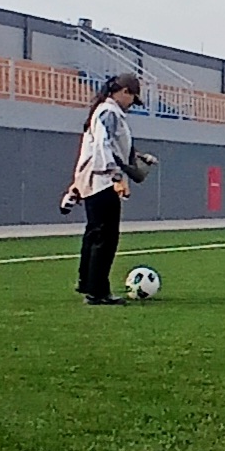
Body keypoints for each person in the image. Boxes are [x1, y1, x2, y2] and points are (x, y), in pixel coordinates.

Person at [68, 73, 141, 304]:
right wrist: (117, 176)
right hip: (102, 181)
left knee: (94, 233)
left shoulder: (103, 111)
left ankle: (87, 282)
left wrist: (137, 158)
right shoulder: (109, 112)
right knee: (105, 238)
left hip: (94, 180)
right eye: (132, 97)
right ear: (125, 92)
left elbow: (107, 145)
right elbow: (103, 145)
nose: (132, 104)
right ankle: (98, 292)